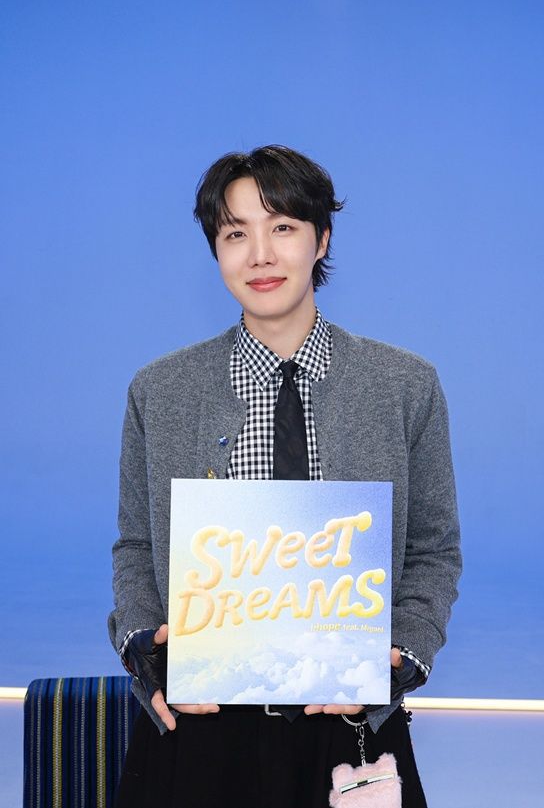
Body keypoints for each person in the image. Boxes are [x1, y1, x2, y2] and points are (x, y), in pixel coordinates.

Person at [109, 145, 461, 808]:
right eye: (236, 234)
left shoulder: (405, 386)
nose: (261, 255)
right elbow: (135, 547)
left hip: (351, 723)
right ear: (216, 250)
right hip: (199, 722)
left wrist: (403, 656)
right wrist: (142, 648)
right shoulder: (159, 390)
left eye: (283, 227)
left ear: (321, 239)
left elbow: (433, 549)